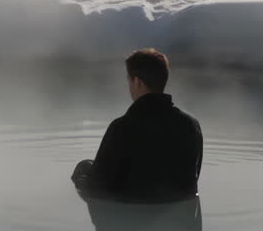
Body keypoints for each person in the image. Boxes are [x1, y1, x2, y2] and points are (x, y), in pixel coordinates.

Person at [71, 48, 203, 203]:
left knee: (84, 167)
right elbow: (193, 176)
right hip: (181, 218)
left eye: (128, 80)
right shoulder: (191, 125)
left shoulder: (121, 128)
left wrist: (83, 171)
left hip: (131, 216)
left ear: (137, 81)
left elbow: (96, 188)